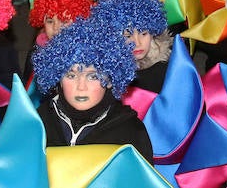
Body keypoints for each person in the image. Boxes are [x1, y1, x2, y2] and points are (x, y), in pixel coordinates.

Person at [31, 13, 153, 162]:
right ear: (58, 78)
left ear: (110, 80)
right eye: (71, 75)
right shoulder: (38, 123)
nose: (81, 87)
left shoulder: (130, 133)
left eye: (93, 76)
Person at [93, 0, 171, 94]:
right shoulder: (104, 78)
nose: (137, 43)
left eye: (144, 34)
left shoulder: (168, 72)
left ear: (153, 33)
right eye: (127, 36)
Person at [24, 0, 93, 83]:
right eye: (50, 21)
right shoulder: (37, 54)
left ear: (80, 22)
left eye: (64, 21)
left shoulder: (89, 56)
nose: (56, 28)